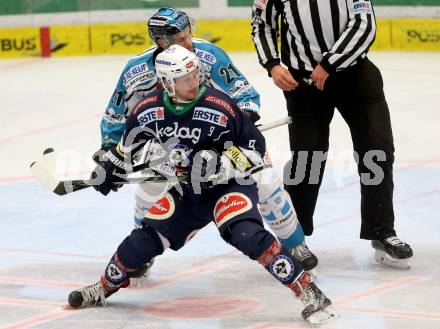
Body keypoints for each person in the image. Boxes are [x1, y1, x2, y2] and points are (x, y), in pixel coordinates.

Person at [68, 45, 336, 324]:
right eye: (186, 79)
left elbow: (255, 152)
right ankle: (102, 288)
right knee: (142, 240)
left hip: (229, 185)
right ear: (166, 83)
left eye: (195, 75)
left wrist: (222, 164)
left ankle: (309, 291)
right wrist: (109, 169)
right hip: (188, 191)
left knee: (247, 235)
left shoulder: (221, 106)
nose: (194, 82)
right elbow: (127, 149)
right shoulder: (147, 110)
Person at [98, 6, 318, 278]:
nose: (188, 43)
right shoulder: (136, 72)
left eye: (188, 35)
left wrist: (232, 128)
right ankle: (140, 255)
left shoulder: (209, 56)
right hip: (171, 152)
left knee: (266, 184)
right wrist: (111, 153)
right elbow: (115, 118)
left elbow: (245, 95)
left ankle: (296, 246)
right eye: (180, 40)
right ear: (160, 42)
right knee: (147, 194)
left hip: (225, 147)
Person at [251, 0, 413, 268]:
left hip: (356, 76)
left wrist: (328, 65)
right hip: (304, 83)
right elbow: (262, 25)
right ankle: (294, 238)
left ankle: (382, 231)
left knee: (377, 152)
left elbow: (364, 24)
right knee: (307, 157)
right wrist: (272, 64)